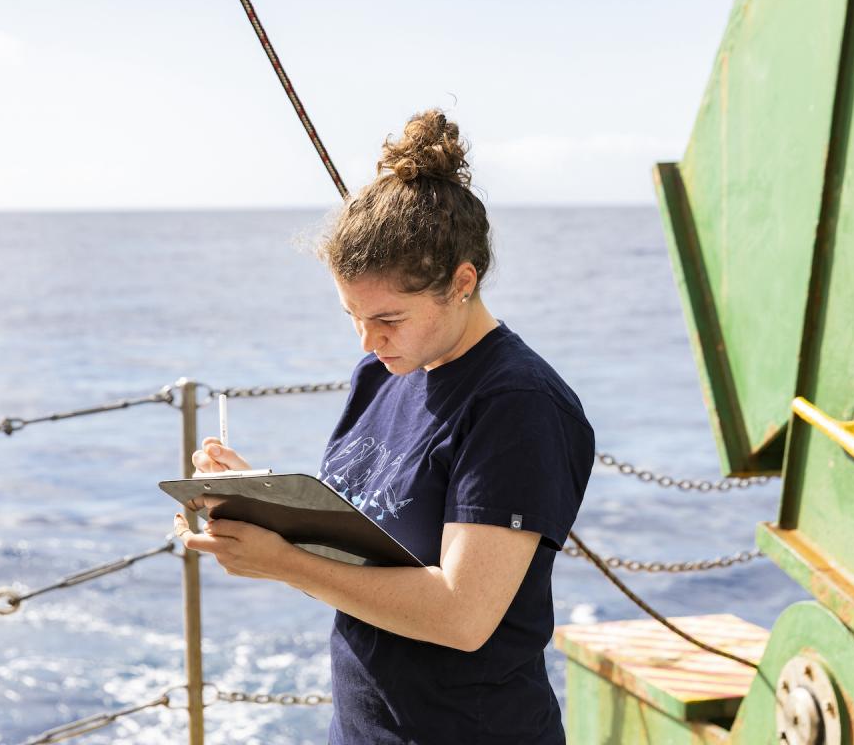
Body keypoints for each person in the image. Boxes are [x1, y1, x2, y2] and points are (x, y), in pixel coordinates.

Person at [174, 109, 595, 744]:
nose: (370, 342)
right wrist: (261, 505)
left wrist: (283, 563)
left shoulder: (518, 406)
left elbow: (463, 616)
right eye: (353, 316)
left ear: (462, 282)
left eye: (389, 319)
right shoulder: (381, 375)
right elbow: (362, 554)